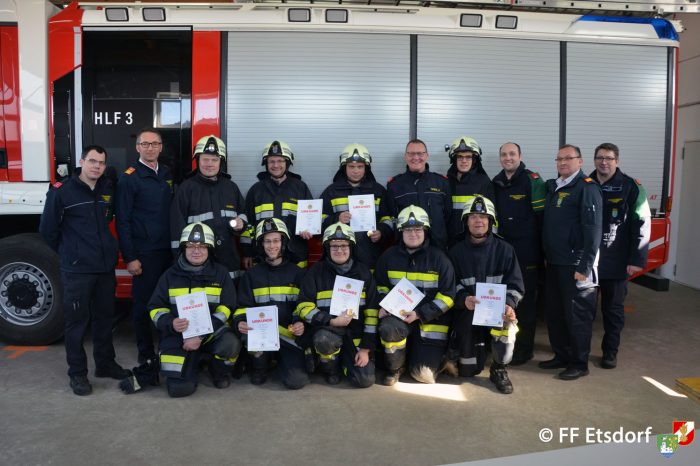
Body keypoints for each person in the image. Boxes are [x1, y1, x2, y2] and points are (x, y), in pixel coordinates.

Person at [39, 145, 128, 396]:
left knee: (104, 320)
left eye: (101, 162)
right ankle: (77, 374)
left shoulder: (107, 188)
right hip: (77, 271)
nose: (97, 166)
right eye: (92, 161)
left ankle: (105, 364)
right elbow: (48, 231)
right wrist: (71, 254)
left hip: (104, 269)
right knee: (77, 324)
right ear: (82, 161)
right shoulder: (62, 192)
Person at [146, 222, 241, 397]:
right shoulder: (169, 275)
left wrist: (200, 335)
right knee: (179, 390)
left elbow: (226, 308)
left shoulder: (220, 273)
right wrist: (171, 323)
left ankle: (216, 370)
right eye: (191, 246)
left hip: (211, 333)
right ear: (183, 248)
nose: (196, 251)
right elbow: (154, 308)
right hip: (178, 335)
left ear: (209, 249)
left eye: (202, 246)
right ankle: (193, 363)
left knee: (231, 344)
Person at [446, 196, 524, 394]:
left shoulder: (505, 250)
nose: (478, 221)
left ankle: (499, 368)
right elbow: (450, 284)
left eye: (483, 216)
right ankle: (465, 357)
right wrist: (464, 299)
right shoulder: (455, 252)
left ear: (491, 221)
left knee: (506, 326)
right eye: (472, 216)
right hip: (468, 311)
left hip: (497, 311)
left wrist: (509, 305)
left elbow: (515, 285)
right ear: (466, 221)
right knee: (467, 370)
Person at [540, 144, 602, 380]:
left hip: (576, 266)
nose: (563, 162)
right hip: (555, 263)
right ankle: (562, 355)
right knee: (555, 314)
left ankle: (579, 363)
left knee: (577, 317)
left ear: (580, 161)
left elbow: (594, 229)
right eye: (559, 159)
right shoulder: (557, 186)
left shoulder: (586, 188)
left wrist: (585, 266)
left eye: (569, 158)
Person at [375, 205, 456, 385]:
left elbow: (448, 297)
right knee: (388, 331)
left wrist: (420, 314)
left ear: (425, 231)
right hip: (397, 318)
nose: (413, 233)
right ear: (401, 232)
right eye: (408, 229)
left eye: (418, 229)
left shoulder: (440, 259)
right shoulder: (388, 257)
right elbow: (380, 287)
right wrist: (384, 305)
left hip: (430, 323)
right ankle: (395, 368)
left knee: (423, 375)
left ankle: (440, 359)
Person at [115, 128, 173, 378]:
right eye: (145, 144)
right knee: (142, 305)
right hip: (145, 253)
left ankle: (168, 347)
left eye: (155, 144)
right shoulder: (129, 178)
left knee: (168, 304)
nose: (150, 148)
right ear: (137, 148)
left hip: (167, 252)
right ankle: (145, 351)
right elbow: (123, 221)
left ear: (161, 147)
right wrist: (130, 257)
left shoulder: (167, 173)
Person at [295, 222, 378, 387]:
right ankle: (330, 370)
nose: (339, 250)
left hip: (356, 337)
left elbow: (372, 313)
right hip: (327, 332)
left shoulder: (364, 273)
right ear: (327, 248)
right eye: (334, 246)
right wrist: (331, 321)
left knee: (364, 380)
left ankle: (345, 363)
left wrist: (365, 349)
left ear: (351, 247)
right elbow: (303, 307)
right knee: (324, 340)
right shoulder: (315, 272)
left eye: (344, 245)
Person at [590, 142, 650, 369]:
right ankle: (579, 352)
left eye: (609, 158)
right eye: (600, 158)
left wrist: (637, 260)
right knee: (584, 312)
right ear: (594, 160)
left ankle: (610, 352)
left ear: (617, 161)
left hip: (616, 262)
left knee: (612, 311)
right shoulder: (585, 184)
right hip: (589, 262)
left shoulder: (631, 187)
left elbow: (642, 224)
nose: (603, 162)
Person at [234, 218, 309, 389]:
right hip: (261, 337)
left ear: (284, 243)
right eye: (267, 241)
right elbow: (242, 308)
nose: (272, 246)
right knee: (249, 343)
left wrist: (301, 323)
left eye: (276, 240)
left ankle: (281, 360)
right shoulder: (251, 275)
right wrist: (240, 322)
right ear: (260, 245)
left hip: (289, 337)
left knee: (296, 381)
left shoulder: (298, 274)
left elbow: (305, 305)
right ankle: (260, 365)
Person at [491, 142, 546, 365]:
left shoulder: (533, 181)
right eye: (504, 154)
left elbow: (542, 219)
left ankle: (524, 350)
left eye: (512, 154)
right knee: (502, 301)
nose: (508, 158)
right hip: (502, 253)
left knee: (526, 304)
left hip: (528, 253)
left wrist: (542, 253)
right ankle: (502, 346)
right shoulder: (495, 182)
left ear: (520, 156)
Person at [170, 135, 247, 281]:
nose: (209, 164)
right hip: (197, 261)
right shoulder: (186, 189)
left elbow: (243, 214)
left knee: (228, 300)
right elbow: (176, 228)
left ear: (221, 162)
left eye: (214, 160)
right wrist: (179, 258)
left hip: (228, 259)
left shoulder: (231, 187)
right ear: (197, 160)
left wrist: (241, 224)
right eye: (205, 159)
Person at [320, 143, 394, 269]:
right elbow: (319, 221)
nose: (356, 171)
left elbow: (389, 220)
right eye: (351, 166)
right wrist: (337, 219)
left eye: (360, 166)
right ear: (344, 167)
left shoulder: (378, 191)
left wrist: (381, 232)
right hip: (339, 259)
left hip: (371, 255)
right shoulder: (331, 192)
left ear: (366, 167)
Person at [241, 140, 314, 269]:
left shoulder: (300, 188)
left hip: (295, 256)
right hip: (263, 256)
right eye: (271, 161)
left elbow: (312, 218)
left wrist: (310, 229)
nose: (276, 165)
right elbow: (248, 225)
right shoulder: (256, 190)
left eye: (280, 161)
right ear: (266, 164)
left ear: (287, 163)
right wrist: (247, 252)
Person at [387, 139, 451, 250]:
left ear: (426, 156)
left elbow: (448, 215)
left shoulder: (442, 183)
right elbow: (393, 218)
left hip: (437, 247)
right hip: (406, 248)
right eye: (411, 154)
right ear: (405, 156)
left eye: (420, 153)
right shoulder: (395, 185)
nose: (416, 157)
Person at [445, 136, 495, 246]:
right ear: (454, 159)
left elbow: (492, 215)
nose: (464, 161)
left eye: (468, 157)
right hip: (451, 240)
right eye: (459, 157)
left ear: (474, 160)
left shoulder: (484, 182)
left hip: (475, 241)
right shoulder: (446, 182)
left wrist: (489, 242)